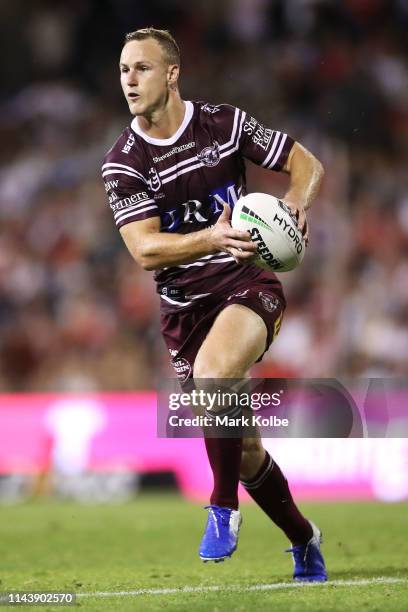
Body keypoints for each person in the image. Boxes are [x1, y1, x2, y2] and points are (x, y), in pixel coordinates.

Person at [102, 27, 327, 582]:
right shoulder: (123, 162)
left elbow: (307, 164)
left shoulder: (223, 125)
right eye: (124, 69)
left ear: (172, 74)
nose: (129, 80)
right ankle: (304, 538)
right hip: (185, 310)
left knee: (215, 370)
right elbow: (145, 249)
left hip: (249, 282)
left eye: (143, 68)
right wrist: (210, 237)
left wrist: (295, 201)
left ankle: (222, 507)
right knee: (245, 446)